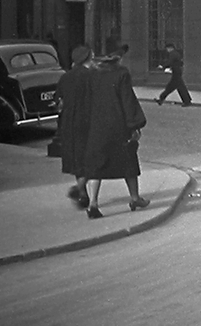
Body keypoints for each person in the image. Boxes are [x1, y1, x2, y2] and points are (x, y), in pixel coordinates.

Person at [82, 44, 148, 218]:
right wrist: (135, 124)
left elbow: (86, 101)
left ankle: (93, 204)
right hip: (119, 126)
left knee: (97, 164)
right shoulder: (122, 74)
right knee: (128, 162)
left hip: (97, 126)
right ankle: (135, 198)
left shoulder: (91, 75)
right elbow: (128, 101)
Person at [57, 44, 94, 209]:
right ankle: (79, 188)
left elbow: (59, 101)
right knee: (94, 157)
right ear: (89, 58)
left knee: (77, 158)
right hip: (87, 121)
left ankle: (83, 195)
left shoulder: (66, 77)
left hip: (69, 122)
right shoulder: (91, 76)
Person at [155, 42, 192, 106]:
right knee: (175, 87)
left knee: (174, 87)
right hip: (177, 71)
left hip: (176, 72)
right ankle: (187, 101)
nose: (167, 50)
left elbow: (170, 62)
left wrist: (163, 66)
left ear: (170, 48)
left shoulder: (172, 54)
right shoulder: (176, 53)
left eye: (167, 49)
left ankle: (187, 101)